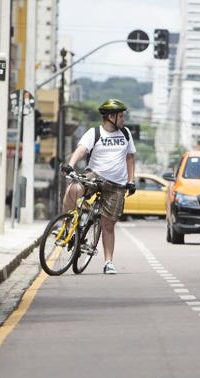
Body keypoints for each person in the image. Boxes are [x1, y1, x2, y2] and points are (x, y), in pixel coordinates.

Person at [61, 99, 136, 275]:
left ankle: (108, 262)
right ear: (111, 117)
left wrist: (131, 181)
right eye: (120, 116)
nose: (123, 119)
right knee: (73, 189)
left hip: (117, 184)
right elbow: (81, 150)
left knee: (107, 225)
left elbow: (130, 158)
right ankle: (67, 226)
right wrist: (70, 164)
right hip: (95, 176)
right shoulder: (94, 133)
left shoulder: (125, 133)